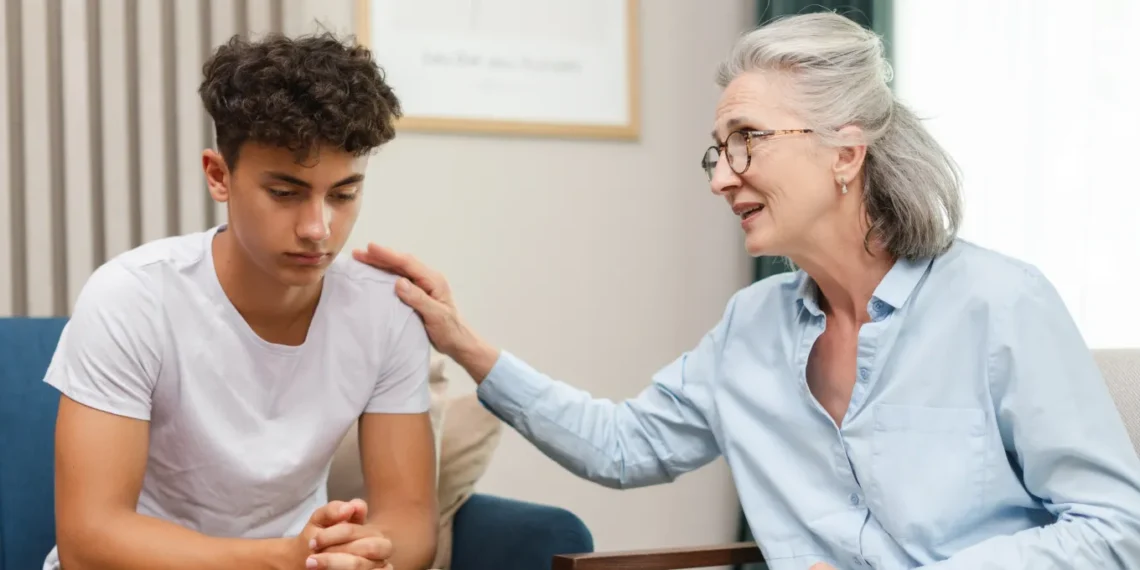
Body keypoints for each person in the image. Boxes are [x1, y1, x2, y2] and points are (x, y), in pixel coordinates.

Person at [352, 11, 1140, 570]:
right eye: (718, 150)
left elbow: (1114, 529)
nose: (722, 178)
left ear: (846, 152)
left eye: (747, 141)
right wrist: (466, 345)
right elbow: (622, 445)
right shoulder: (753, 326)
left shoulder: (999, 305)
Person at [44, 33, 437, 570]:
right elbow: (89, 542)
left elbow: (410, 520)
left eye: (344, 194)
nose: (318, 228)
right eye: (285, 193)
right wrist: (287, 560)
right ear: (218, 176)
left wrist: (363, 555)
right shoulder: (132, 298)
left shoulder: (385, 312)